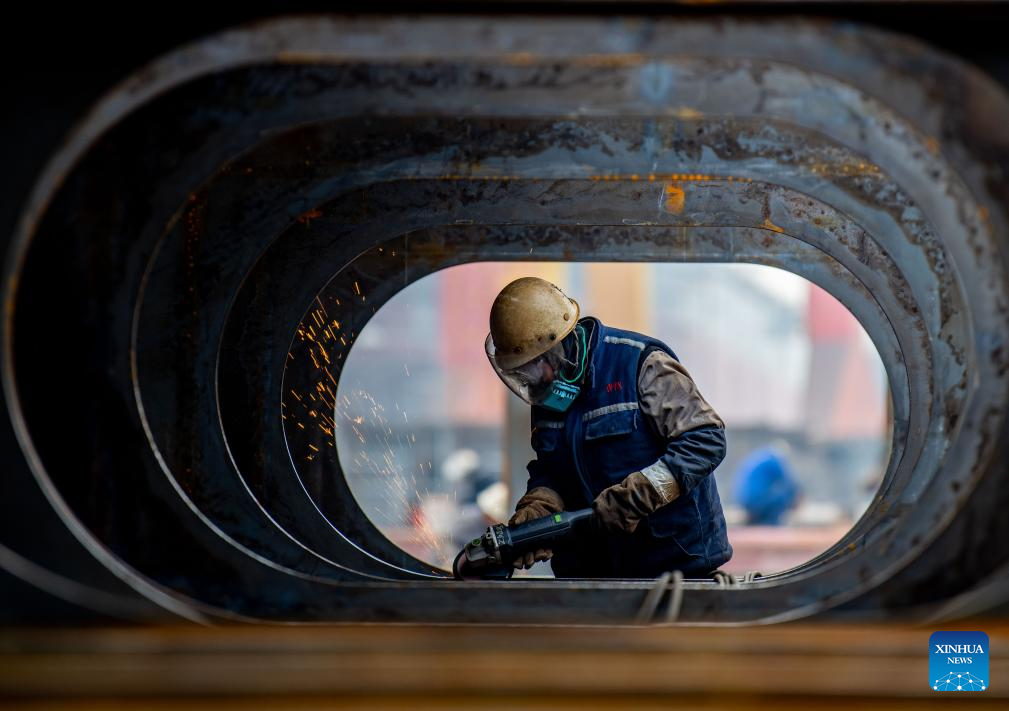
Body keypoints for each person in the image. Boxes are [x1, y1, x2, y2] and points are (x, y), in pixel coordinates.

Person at [485, 277, 732, 578]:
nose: (536, 382)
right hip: (591, 574)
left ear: (558, 346)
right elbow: (552, 470)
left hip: (672, 568)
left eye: (536, 368)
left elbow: (705, 440)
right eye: (523, 375)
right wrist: (539, 508)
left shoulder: (640, 364)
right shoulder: (548, 392)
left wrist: (637, 496)